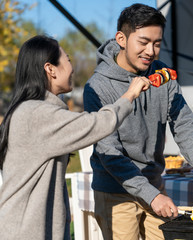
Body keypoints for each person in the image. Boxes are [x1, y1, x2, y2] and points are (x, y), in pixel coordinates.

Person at [83, 4, 193, 240]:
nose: (151, 51)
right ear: (121, 38)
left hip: (154, 184)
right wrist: (151, 195)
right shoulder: (97, 87)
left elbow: (185, 127)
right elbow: (109, 151)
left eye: (157, 43)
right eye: (143, 42)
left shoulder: (164, 76)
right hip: (115, 191)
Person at [0, 35, 150, 240]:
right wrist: (129, 95)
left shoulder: (30, 110)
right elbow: (96, 124)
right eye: (68, 59)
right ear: (50, 69)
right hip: (27, 230)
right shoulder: (35, 113)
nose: (72, 67)